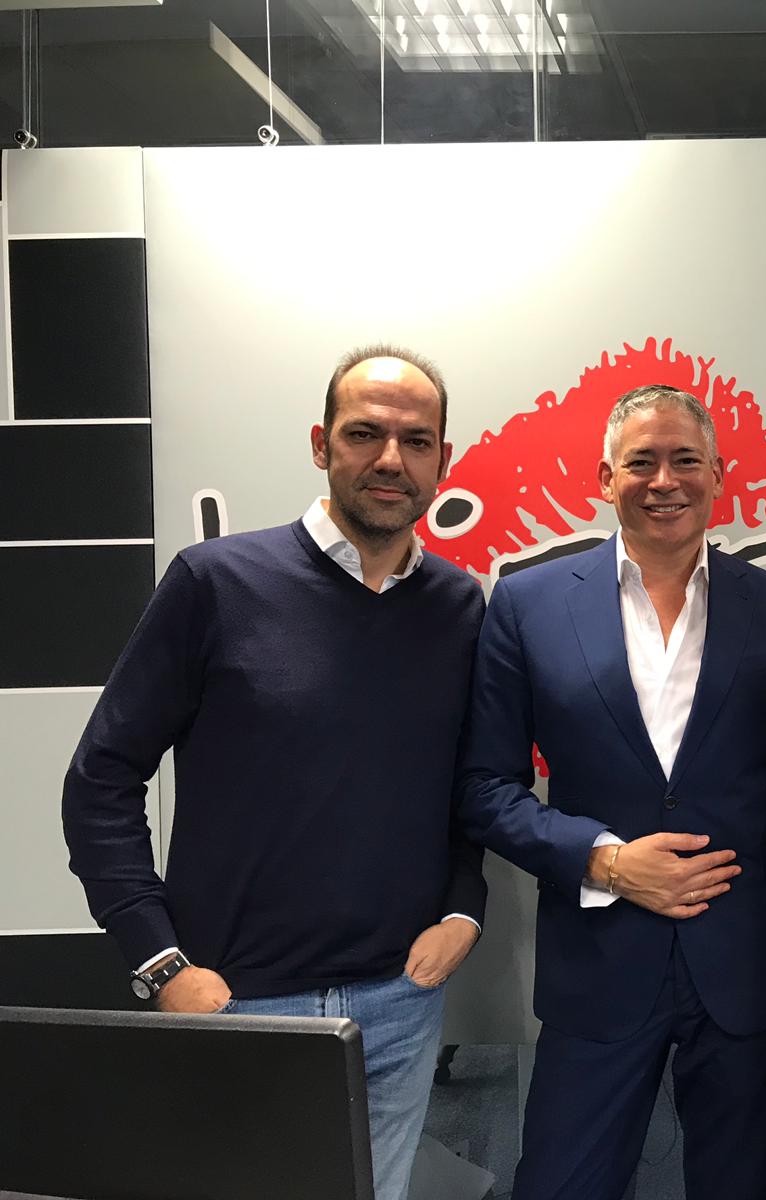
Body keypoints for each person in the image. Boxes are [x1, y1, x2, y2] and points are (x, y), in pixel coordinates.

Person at [60, 344, 487, 1200]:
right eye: (364, 433)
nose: (391, 459)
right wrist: (160, 963)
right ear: (321, 444)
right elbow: (100, 779)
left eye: (416, 440)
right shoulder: (216, 583)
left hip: (400, 1004)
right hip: (238, 1004)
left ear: (443, 458)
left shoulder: (458, 605)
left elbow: (464, 785)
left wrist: (463, 906)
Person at [456, 384, 766, 1200]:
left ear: (719, 474)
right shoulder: (529, 604)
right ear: (605, 477)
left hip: (743, 966)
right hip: (599, 963)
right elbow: (484, 788)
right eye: (641, 461)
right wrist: (605, 861)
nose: (664, 481)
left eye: (686, 460)